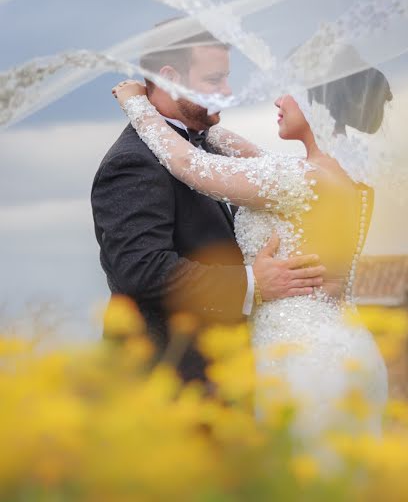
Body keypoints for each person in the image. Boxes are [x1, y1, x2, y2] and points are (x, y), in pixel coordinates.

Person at [112, 64, 391, 439]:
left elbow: (189, 164)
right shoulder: (333, 174)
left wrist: (138, 105)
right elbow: (240, 152)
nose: (278, 99)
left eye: (290, 89)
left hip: (301, 355)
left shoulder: (303, 178)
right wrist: (196, 113)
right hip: (338, 342)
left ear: (318, 103)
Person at [91, 23, 324, 386]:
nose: (227, 92)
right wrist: (252, 282)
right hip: (167, 382)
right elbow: (142, 270)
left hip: (220, 377)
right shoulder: (132, 163)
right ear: (169, 77)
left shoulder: (204, 149)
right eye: (215, 80)